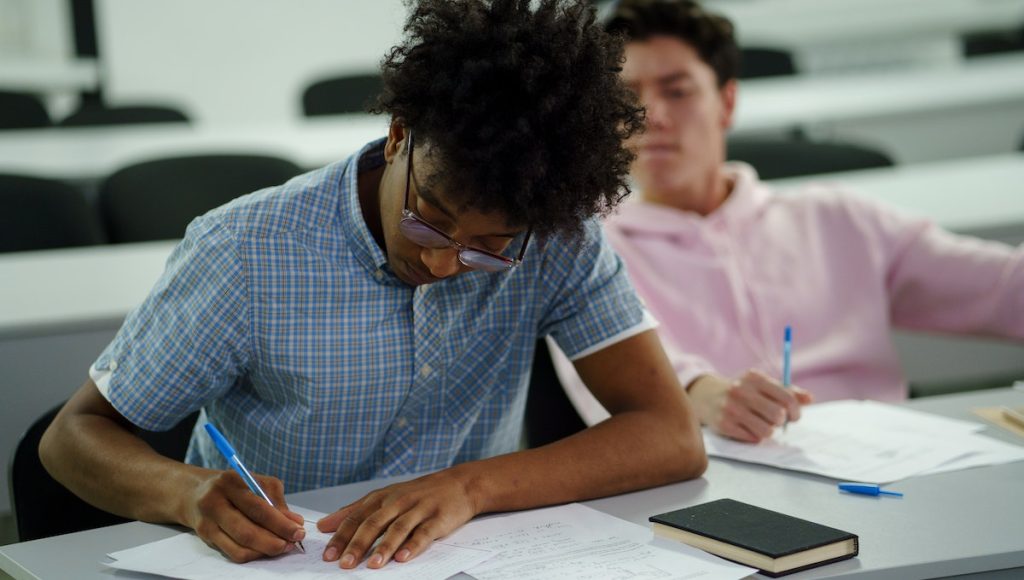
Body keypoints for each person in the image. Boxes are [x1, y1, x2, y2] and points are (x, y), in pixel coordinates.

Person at [39, 0, 707, 570]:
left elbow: (670, 437)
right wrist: (184, 493)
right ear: (398, 137)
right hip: (280, 563)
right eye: (430, 223)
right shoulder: (247, 251)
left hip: (467, 557)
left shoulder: (557, 237)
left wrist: (469, 488)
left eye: (488, 250)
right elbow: (73, 438)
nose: (445, 264)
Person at [554, 0, 1024, 443]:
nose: (651, 116)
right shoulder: (587, 253)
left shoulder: (835, 218)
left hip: (882, 463)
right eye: (625, 97)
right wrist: (703, 394)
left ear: (727, 102)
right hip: (716, 485)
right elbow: (628, 381)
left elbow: (1003, 290)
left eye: (677, 91)